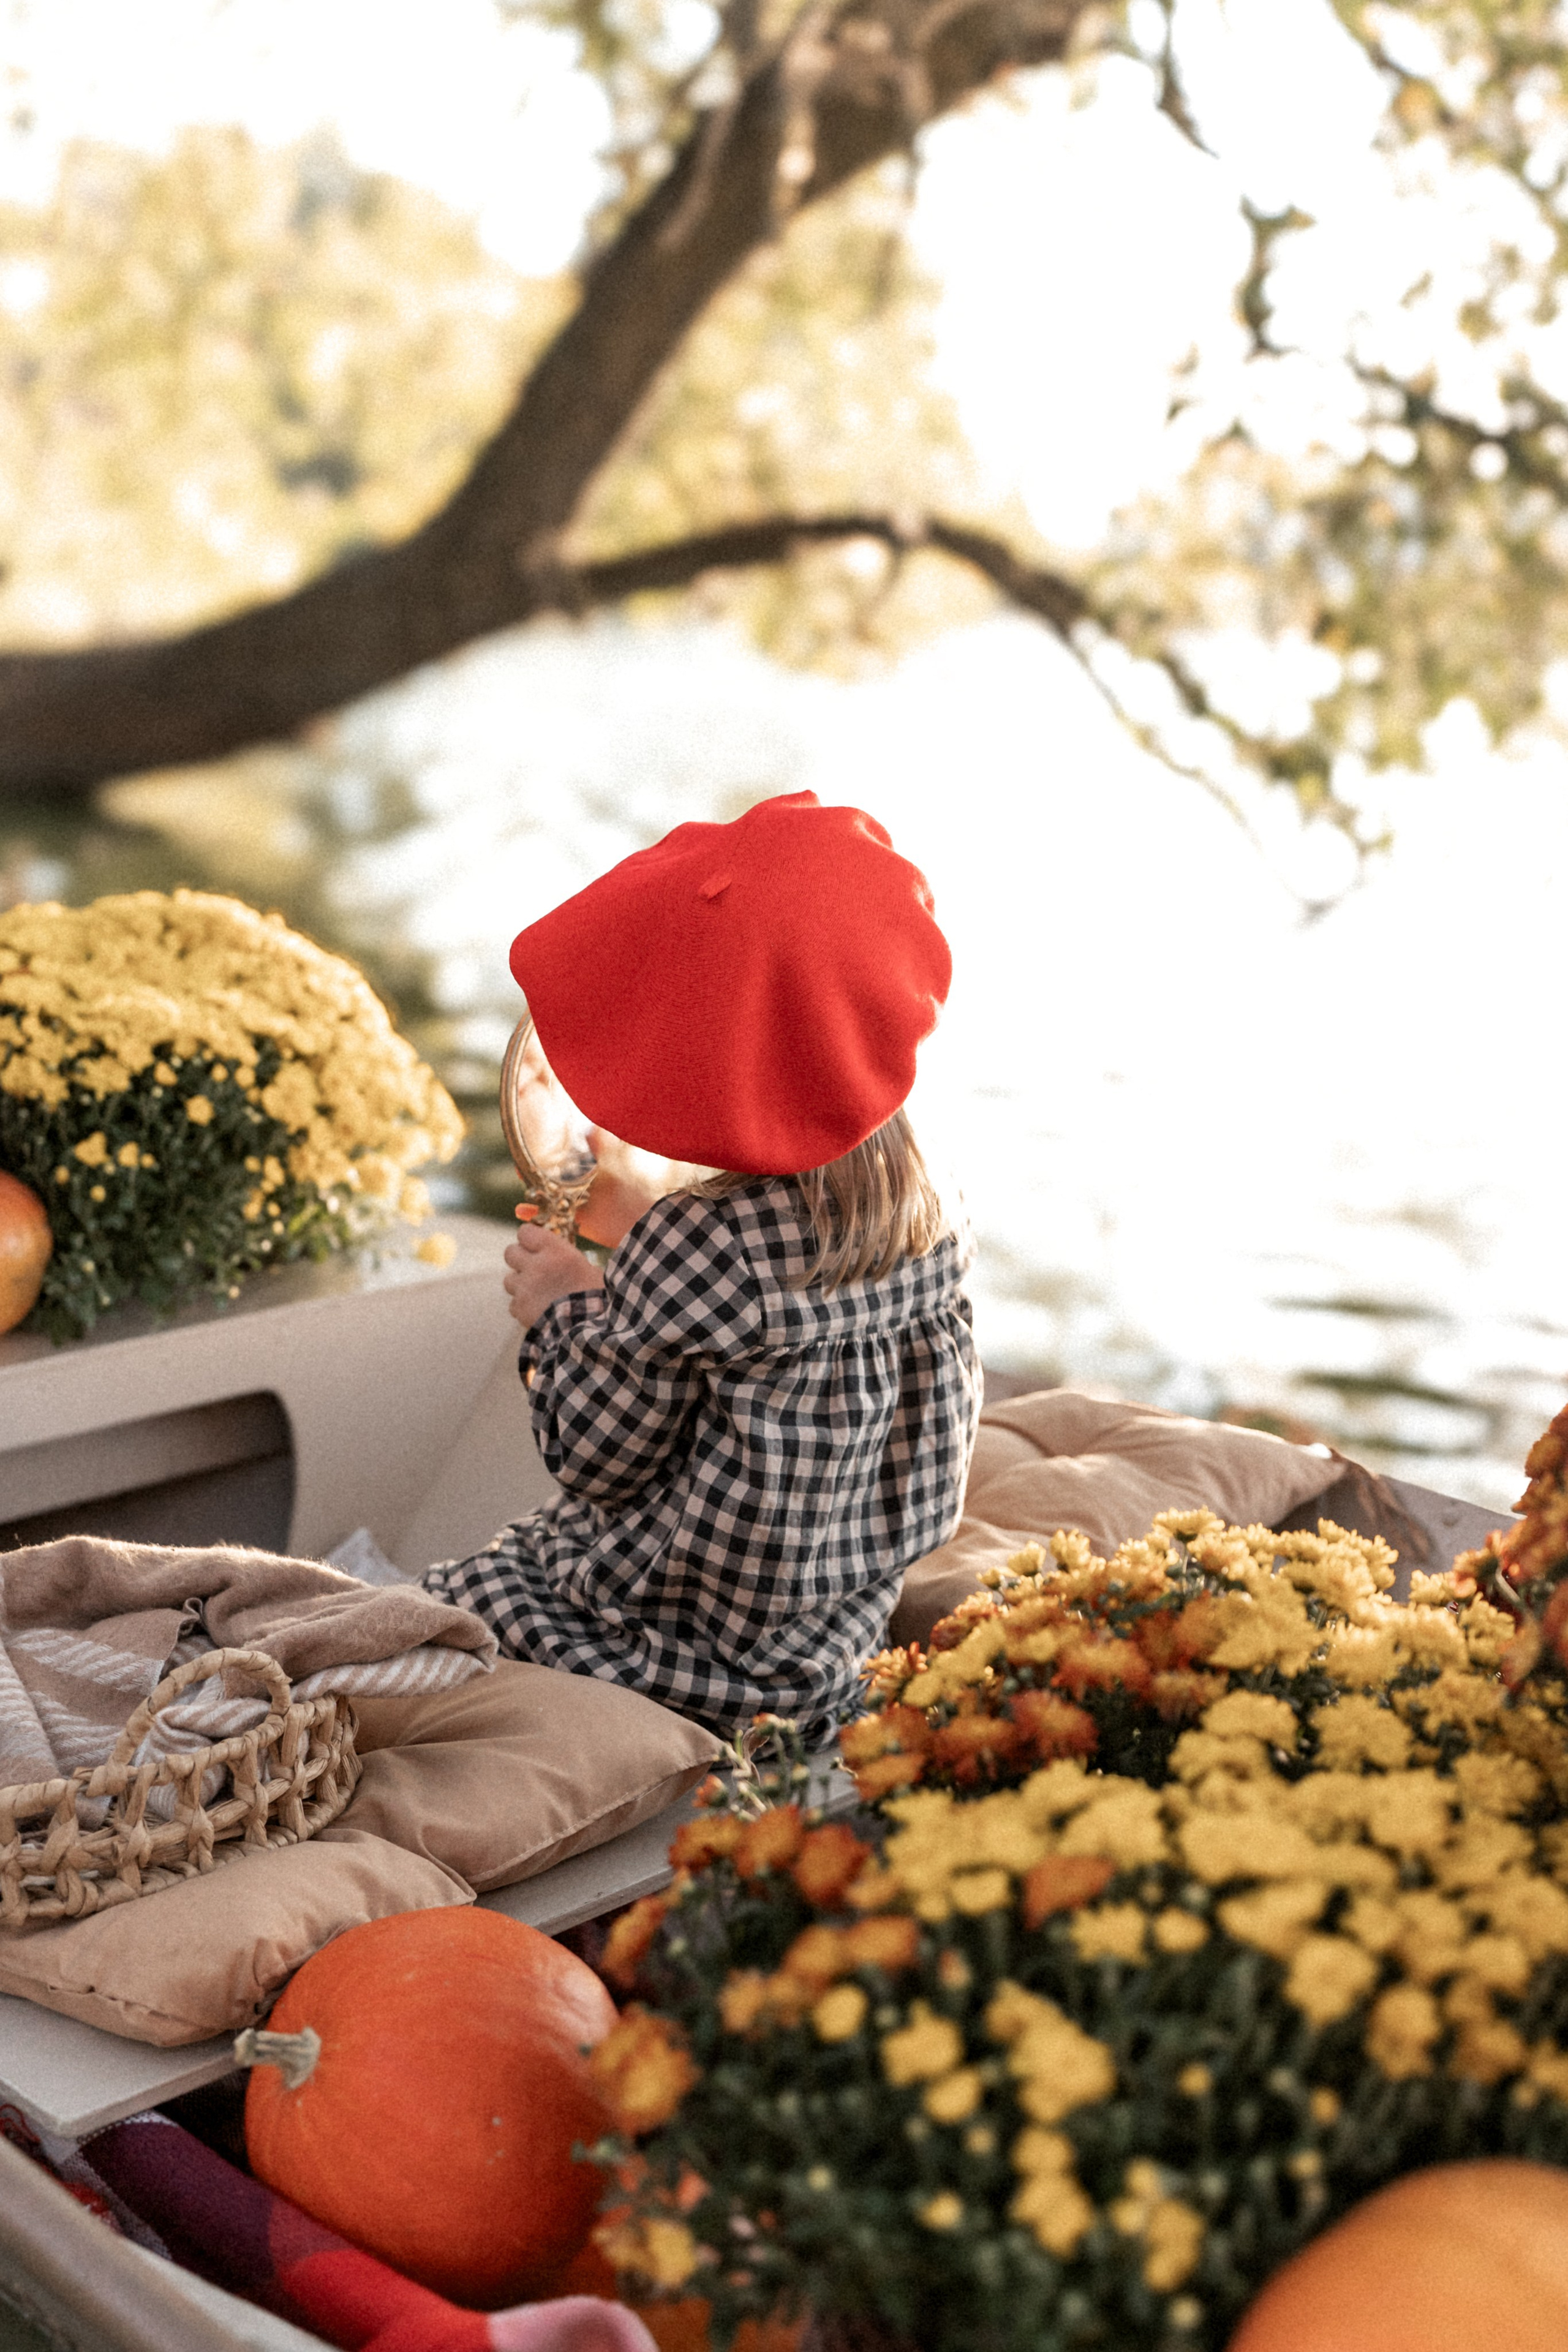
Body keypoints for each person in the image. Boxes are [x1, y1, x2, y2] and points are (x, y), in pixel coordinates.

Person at [422, 790, 981, 1743]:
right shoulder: (931, 1214)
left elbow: (595, 1458)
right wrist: (636, 1247)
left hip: (664, 1651)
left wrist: (561, 1310)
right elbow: (771, 1319)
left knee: (442, 1597)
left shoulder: (698, 1244)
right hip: (828, 1646)